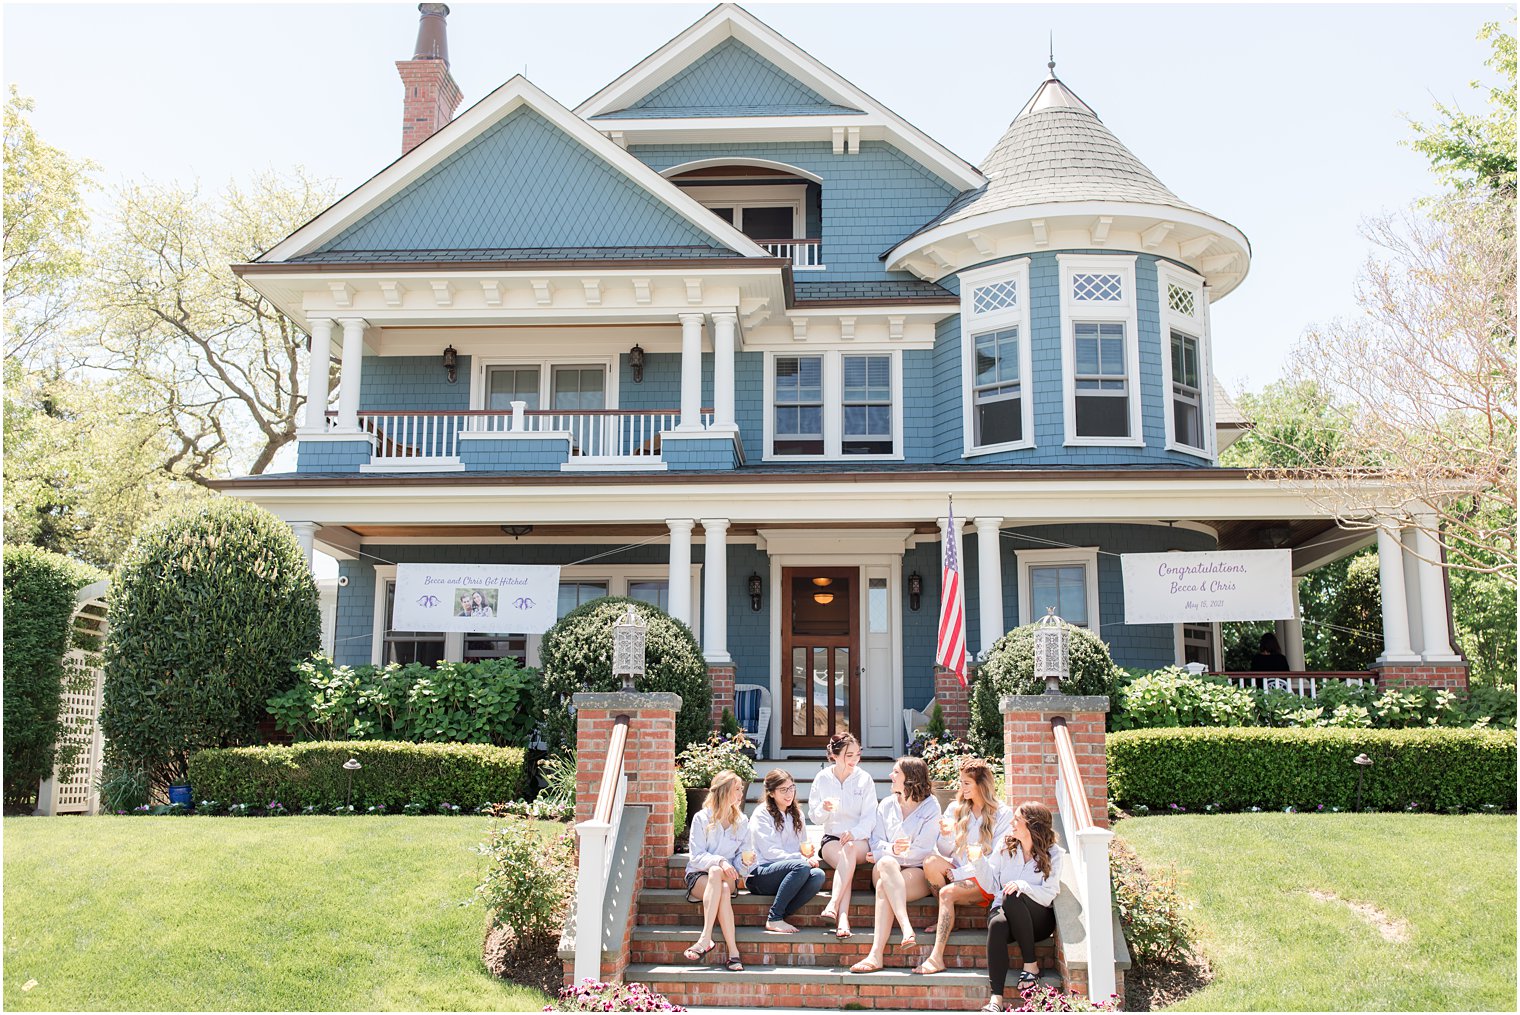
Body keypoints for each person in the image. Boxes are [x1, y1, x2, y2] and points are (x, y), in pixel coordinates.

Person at [915, 757, 1011, 975]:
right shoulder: (955, 809)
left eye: (966, 783)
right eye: (961, 782)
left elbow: (996, 861)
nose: (961, 787)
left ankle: (936, 957)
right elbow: (945, 850)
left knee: (948, 892)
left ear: (981, 785)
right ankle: (949, 919)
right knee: (930, 861)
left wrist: (958, 873)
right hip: (956, 873)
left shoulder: (1002, 814)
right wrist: (948, 835)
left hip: (984, 878)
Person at [848, 756, 941, 973]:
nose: (891, 776)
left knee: (884, 886)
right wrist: (892, 851)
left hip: (915, 871)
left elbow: (924, 849)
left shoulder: (931, 807)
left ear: (910, 777)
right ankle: (906, 926)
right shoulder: (887, 804)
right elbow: (875, 842)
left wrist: (890, 853)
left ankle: (875, 955)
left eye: (895, 772)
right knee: (888, 864)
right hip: (884, 868)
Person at [980, 801, 1064, 1011]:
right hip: (1006, 912)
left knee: (1013, 894)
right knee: (997, 924)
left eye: (1017, 819)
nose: (1012, 823)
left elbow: (1048, 895)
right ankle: (995, 1000)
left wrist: (1023, 886)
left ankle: (1030, 964)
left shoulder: (1054, 853)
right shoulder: (1006, 845)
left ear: (1033, 826)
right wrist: (977, 862)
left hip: (1038, 920)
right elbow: (991, 886)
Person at [808, 731, 878, 939]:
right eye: (849, 755)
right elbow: (815, 817)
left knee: (848, 852)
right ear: (835, 756)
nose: (855, 760)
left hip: (859, 840)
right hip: (832, 839)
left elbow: (870, 818)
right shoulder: (822, 778)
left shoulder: (864, 779)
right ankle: (844, 917)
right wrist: (824, 808)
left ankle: (834, 905)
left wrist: (854, 833)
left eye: (857, 754)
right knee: (844, 863)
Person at [683, 769, 751, 971]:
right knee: (718, 883)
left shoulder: (742, 821)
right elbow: (695, 857)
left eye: (741, 789)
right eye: (736, 789)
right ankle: (734, 953)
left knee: (718, 877)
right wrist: (721, 861)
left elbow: (741, 858)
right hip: (699, 876)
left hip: (729, 876)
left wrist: (746, 862)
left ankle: (705, 939)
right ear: (723, 791)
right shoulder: (701, 818)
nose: (740, 793)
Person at [746, 769, 826, 934]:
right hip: (761, 874)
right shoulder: (762, 814)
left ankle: (781, 914)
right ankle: (774, 918)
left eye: (791, 788)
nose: (789, 793)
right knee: (801, 867)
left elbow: (802, 844)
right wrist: (799, 859)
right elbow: (769, 853)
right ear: (771, 793)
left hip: (788, 873)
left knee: (818, 875)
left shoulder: (797, 813)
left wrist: (806, 853)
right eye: (783, 790)